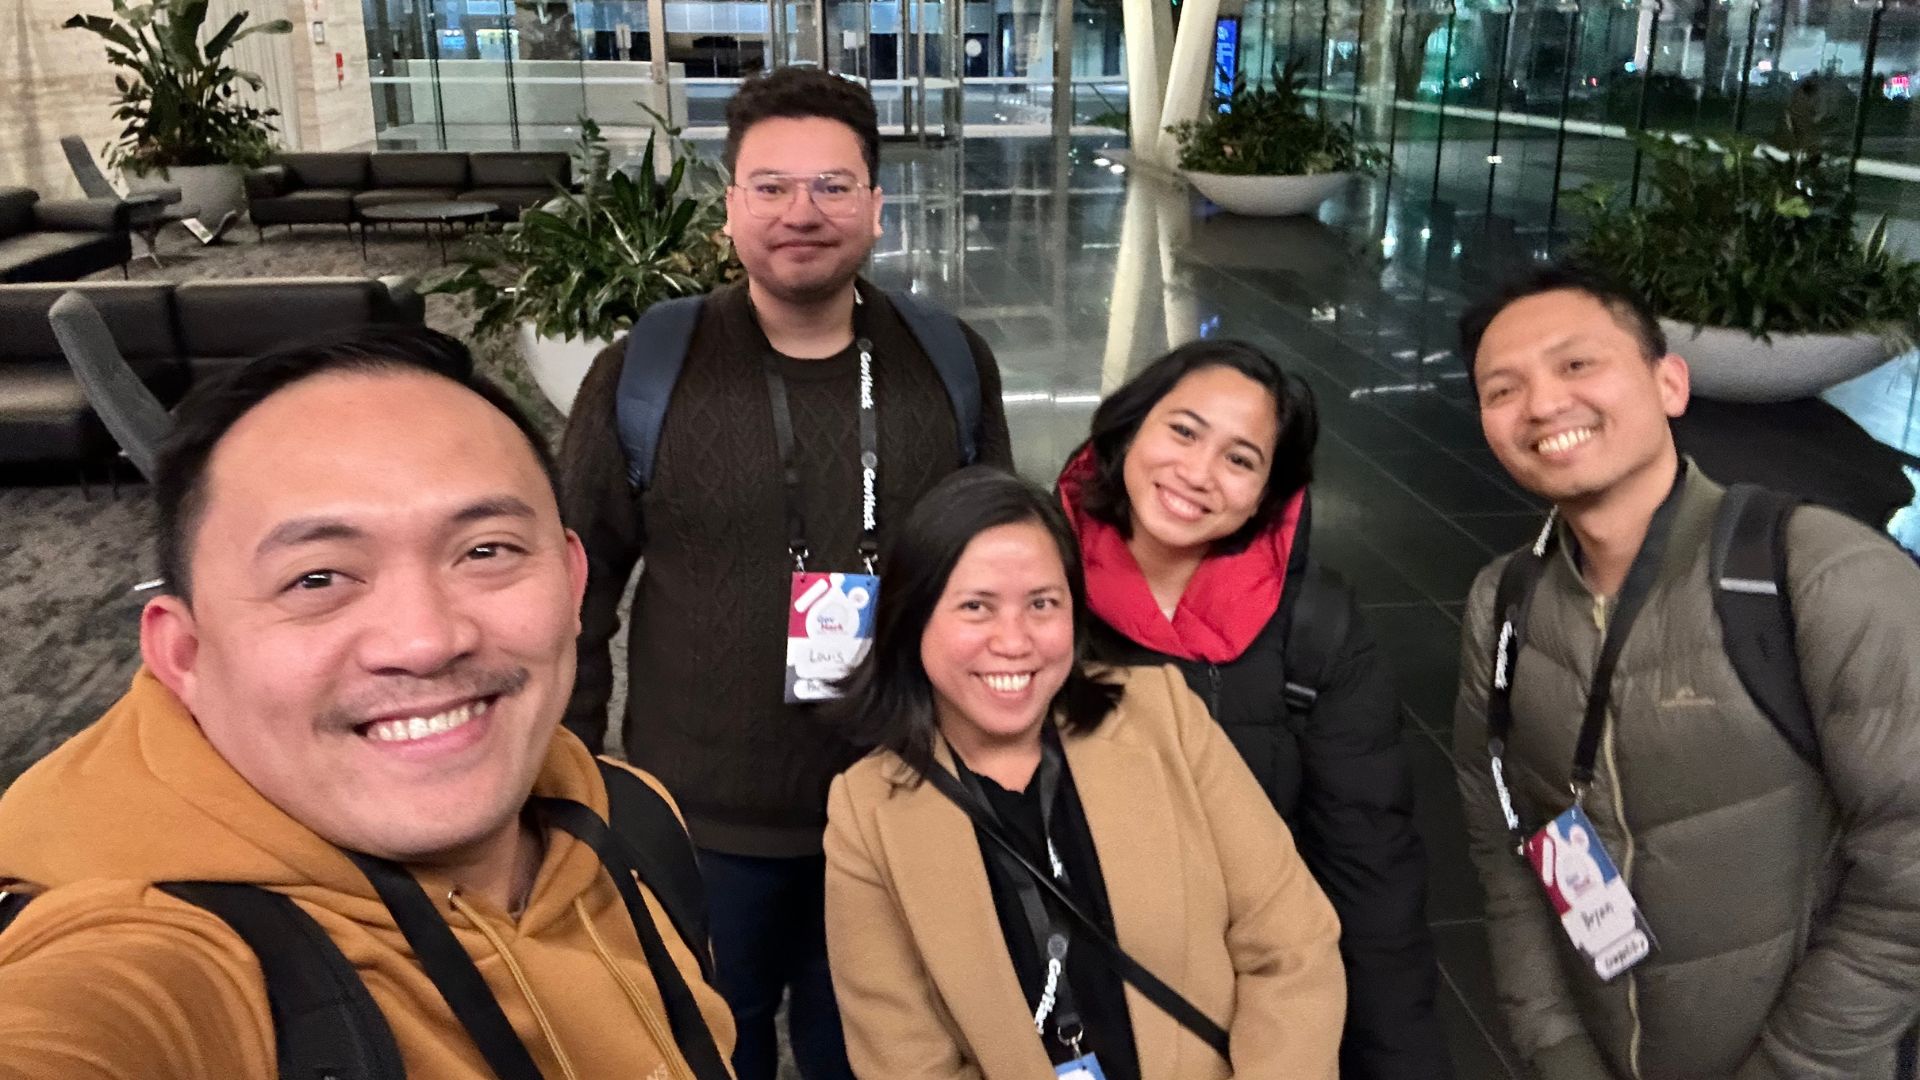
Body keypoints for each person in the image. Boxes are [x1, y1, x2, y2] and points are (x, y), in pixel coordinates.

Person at [0, 328, 735, 1078]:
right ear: (184, 654)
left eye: (487, 550)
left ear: (573, 583)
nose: (425, 641)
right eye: (316, 578)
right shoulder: (151, 957)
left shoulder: (634, 820)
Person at [560, 66, 1012, 1080]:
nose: (800, 212)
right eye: (770, 186)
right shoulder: (647, 369)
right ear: (730, 206)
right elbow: (570, 592)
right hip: (701, 818)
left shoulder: (946, 363)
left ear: (876, 206)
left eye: (831, 186)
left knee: (877, 1054)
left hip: (902, 800)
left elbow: (993, 579)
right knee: (711, 1046)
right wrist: (566, 786)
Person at [1453, 265, 1920, 1080]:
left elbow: (1908, 873)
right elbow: (1506, 838)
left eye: (1576, 364)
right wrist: (1556, 1047)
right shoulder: (1505, 602)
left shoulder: (1816, 574)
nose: (1543, 403)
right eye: (1503, 389)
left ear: (1670, 383)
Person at [824, 466, 1346, 1080]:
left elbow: (1291, 945)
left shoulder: (1164, 718)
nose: (1014, 641)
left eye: (1042, 604)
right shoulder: (867, 813)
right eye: (976, 607)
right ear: (912, 619)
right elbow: (907, 1061)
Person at [1054, 339, 1449, 1079]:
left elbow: (1370, 877)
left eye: (1240, 459)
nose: (1198, 472)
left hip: (1258, 1013)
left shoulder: (1315, 630)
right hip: (1072, 1004)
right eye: (1183, 431)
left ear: (1271, 491)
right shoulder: (1033, 596)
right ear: (1128, 429)